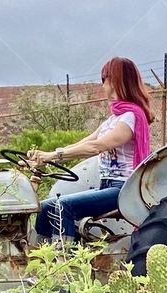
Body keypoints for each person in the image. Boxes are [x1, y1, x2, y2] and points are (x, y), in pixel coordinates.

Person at [28, 57, 153, 244]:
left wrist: (53, 155)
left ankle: (63, 262)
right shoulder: (114, 118)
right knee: (46, 207)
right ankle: (38, 255)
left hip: (123, 189)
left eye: (105, 80)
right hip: (107, 185)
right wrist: (44, 157)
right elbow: (85, 142)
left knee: (63, 207)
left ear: (116, 80)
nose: (103, 86)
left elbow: (96, 147)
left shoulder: (131, 117)